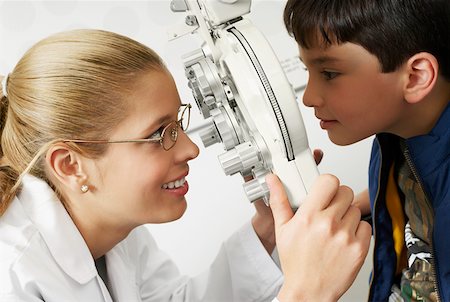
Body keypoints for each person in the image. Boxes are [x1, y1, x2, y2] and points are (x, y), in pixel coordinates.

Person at [0, 29, 371, 302]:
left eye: (179, 123)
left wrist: (268, 231)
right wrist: (306, 294)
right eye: (160, 133)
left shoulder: (115, 233)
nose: (191, 149)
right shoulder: (12, 278)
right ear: (70, 165)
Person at [283, 0, 450, 301]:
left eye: (329, 73)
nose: (308, 97)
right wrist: (360, 207)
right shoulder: (395, 137)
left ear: (416, 77)